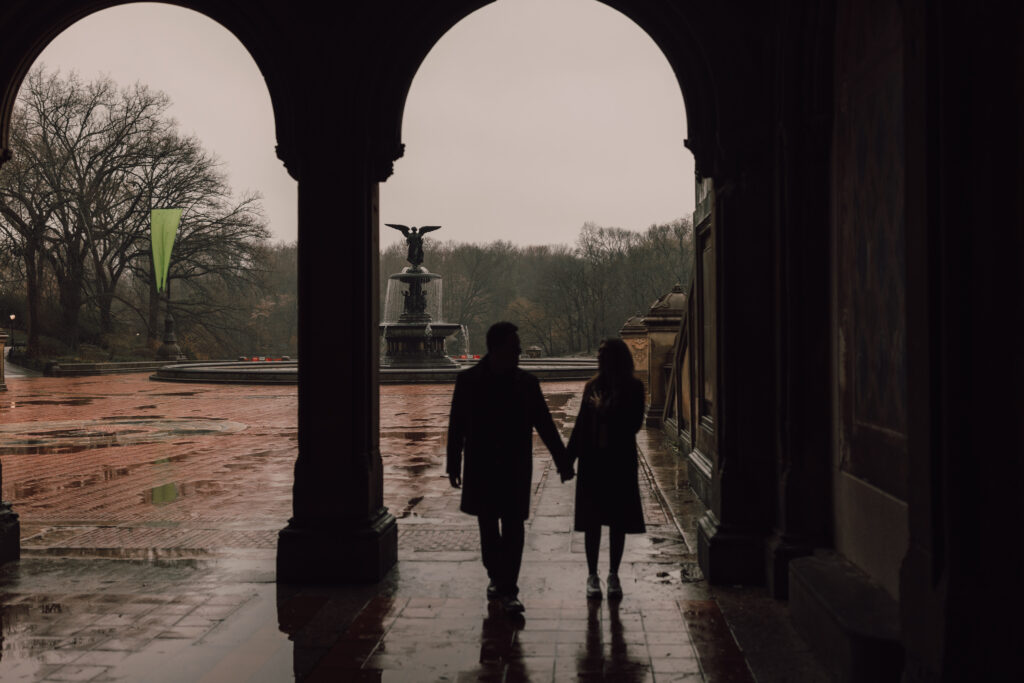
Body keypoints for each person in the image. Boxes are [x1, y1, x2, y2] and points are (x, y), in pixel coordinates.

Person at [447, 321, 574, 615]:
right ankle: (496, 576)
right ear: (498, 348)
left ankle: (508, 588)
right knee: (489, 528)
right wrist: (453, 463)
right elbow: (457, 427)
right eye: (514, 347)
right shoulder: (469, 381)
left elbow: (545, 424)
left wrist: (563, 460)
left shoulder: (526, 383)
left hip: (513, 467)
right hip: (483, 467)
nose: (519, 351)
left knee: (513, 528)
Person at [567, 337, 646, 600]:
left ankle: (613, 574)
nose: (599, 357)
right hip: (593, 462)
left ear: (616, 357)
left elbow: (633, 425)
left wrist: (606, 411)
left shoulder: (634, 388)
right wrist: (567, 459)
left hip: (619, 462)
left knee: (617, 521)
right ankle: (592, 574)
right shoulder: (592, 386)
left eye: (603, 353)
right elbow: (580, 426)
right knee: (592, 521)